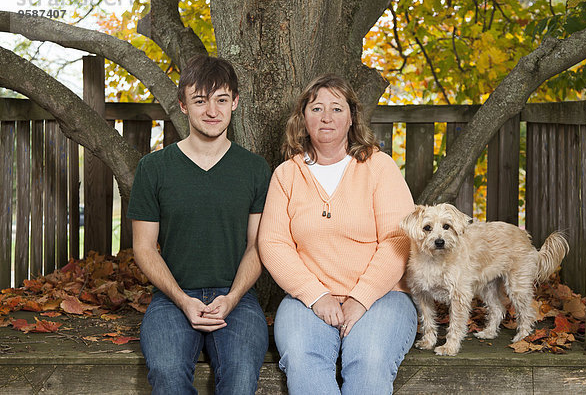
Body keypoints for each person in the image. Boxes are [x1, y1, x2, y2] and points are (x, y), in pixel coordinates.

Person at [258, 74, 417, 394]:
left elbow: (399, 239)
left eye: (336, 108)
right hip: (307, 301)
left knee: (368, 362)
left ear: (351, 118)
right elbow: (273, 243)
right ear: (303, 117)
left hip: (383, 298)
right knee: (305, 363)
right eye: (316, 108)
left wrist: (361, 297)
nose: (326, 117)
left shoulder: (379, 167)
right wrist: (316, 295)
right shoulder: (287, 174)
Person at [127, 55, 271, 395]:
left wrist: (233, 298)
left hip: (237, 297)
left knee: (239, 377)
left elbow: (257, 246)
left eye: (222, 100)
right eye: (200, 100)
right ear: (182, 105)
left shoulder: (255, 169)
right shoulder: (154, 168)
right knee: (166, 373)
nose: (212, 111)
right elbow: (143, 247)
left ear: (234, 102)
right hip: (172, 297)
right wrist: (181, 299)